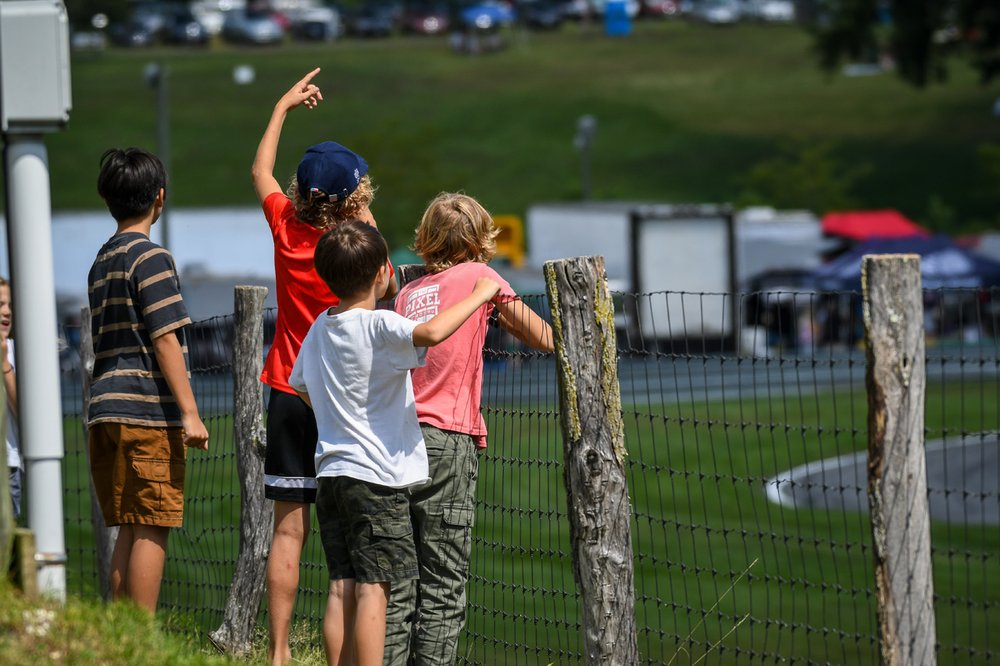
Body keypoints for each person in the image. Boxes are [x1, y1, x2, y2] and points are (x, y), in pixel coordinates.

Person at [288, 220, 500, 666]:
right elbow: (430, 334)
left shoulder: (319, 329)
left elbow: (301, 385)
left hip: (331, 474)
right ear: (384, 273)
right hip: (376, 478)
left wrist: (337, 413)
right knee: (377, 586)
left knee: (342, 582)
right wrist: (480, 294)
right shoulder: (381, 323)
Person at [252, 67, 398, 665]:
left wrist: (283, 107)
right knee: (345, 546)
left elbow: (260, 170)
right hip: (344, 402)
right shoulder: (360, 245)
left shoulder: (286, 226)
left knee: (289, 530)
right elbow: (385, 288)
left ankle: (281, 653)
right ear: (353, 199)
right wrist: (363, 217)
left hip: (289, 387)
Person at [386, 193, 554, 665]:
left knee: (398, 583)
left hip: (396, 437)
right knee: (442, 582)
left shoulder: (406, 293)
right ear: (480, 238)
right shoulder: (482, 277)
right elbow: (542, 337)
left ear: (427, 237)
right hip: (448, 436)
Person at [87, 147, 210, 613]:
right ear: (160, 198)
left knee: (128, 524)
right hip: (144, 410)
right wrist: (190, 412)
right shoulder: (152, 258)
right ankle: (141, 643)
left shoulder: (103, 260)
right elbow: (164, 337)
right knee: (152, 522)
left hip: (105, 409)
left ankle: (121, 641)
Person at [0, 277, 21, 519]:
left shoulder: (18, 353)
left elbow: (25, 414)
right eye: (0, 304)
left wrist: (5, 364)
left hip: (8, 468)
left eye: (9, 305)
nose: (6, 312)